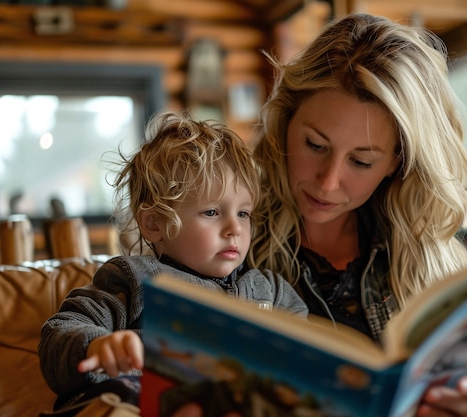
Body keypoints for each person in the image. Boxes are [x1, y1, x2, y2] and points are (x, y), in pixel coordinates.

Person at [247, 13, 467, 417]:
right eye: (315, 145)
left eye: (362, 162)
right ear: (286, 124)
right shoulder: (226, 235)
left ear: (397, 163)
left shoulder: (430, 258)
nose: (328, 182)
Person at [38, 110, 308, 413]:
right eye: (212, 212)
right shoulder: (133, 277)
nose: (235, 228)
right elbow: (59, 332)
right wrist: (96, 345)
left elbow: (308, 356)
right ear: (154, 224)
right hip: (137, 400)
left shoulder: (271, 291)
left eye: (243, 213)